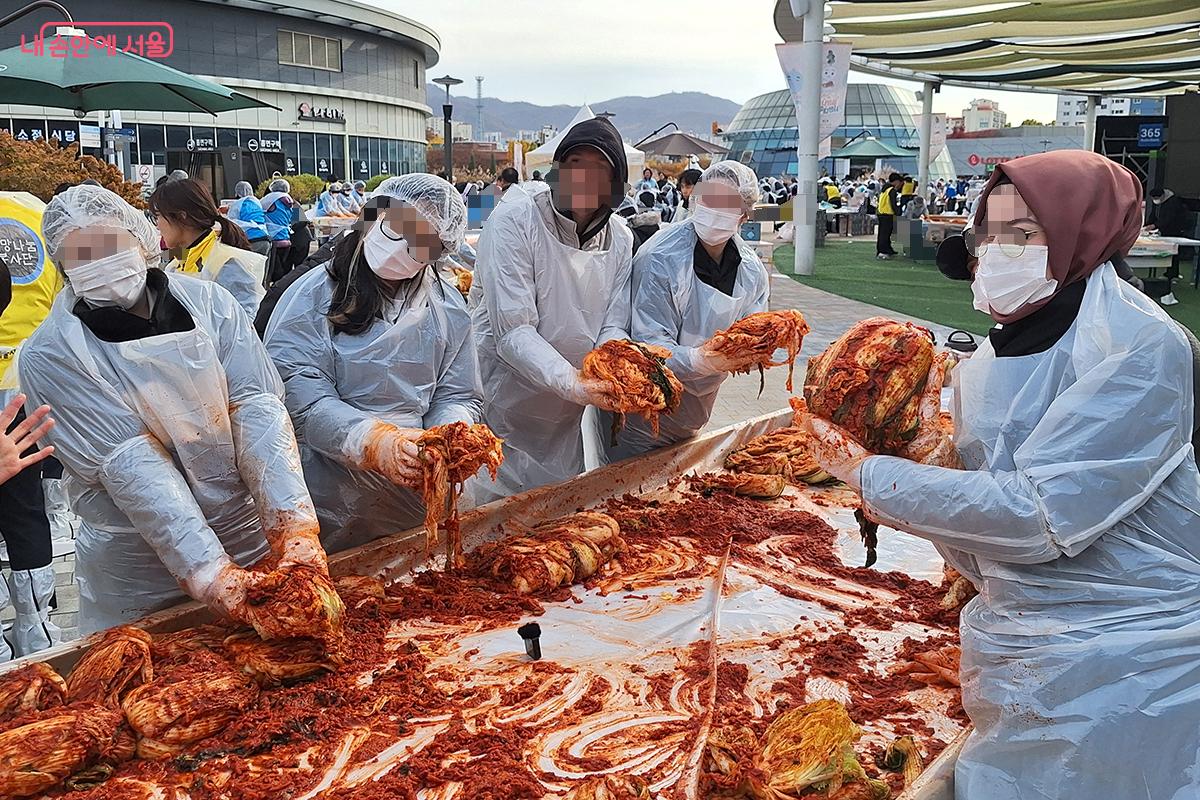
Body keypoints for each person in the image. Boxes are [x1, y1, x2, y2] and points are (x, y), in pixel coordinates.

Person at [801, 150, 1200, 800]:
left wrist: (871, 475)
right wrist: (915, 463)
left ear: (1082, 234)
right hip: (1024, 647)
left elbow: (1037, 515)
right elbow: (984, 533)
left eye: (1024, 234)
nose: (996, 251)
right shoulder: (991, 359)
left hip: (1134, 660)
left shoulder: (1139, 349)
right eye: (989, 232)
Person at [19, 185, 329, 633]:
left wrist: (294, 529)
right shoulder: (50, 355)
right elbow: (132, 465)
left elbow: (257, 408)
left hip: (244, 531)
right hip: (134, 562)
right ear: (63, 267)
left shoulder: (211, 305)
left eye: (108, 246)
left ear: (141, 238)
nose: (99, 262)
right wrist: (211, 575)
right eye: (81, 255)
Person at [264, 175, 481, 552]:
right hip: (329, 493)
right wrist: (373, 442)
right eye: (397, 225)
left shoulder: (446, 306)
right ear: (372, 215)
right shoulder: (311, 296)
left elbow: (457, 390)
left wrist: (447, 435)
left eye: (420, 240)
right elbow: (299, 393)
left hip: (416, 493)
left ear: (438, 251)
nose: (401, 245)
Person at [470, 117, 632, 502]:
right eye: (573, 164)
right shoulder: (516, 219)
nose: (581, 178)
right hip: (506, 400)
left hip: (565, 414)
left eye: (596, 169)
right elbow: (513, 331)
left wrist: (610, 365)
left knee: (556, 517)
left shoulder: (620, 238)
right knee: (493, 519)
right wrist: (574, 383)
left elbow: (613, 319)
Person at [600, 161, 768, 462]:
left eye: (725, 203)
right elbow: (648, 346)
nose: (713, 209)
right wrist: (702, 359)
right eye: (708, 198)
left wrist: (754, 352)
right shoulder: (660, 258)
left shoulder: (751, 271)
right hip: (640, 415)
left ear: (744, 214)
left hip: (698, 409)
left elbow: (753, 333)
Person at [0, 237, 61, 659]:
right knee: (24, 514)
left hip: (17, 398)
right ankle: (36, 630)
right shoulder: (33, 214)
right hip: (19, 388)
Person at [151, 178, 267, 319]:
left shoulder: (228, 264)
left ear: (181, 217)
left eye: (157, 217)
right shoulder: (175, 264)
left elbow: (243, 329)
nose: (157, 225)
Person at [261, 178, 298, 284]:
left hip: (274, 240)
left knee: (274, 271)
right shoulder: (290, 201)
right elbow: (296, 218)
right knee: (283, 268)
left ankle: (276, 292)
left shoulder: (270, 199)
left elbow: (256, 209)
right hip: (286, 239)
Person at [226, 181, 272, 258]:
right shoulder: (256, 202)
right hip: (265, 239)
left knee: (248, 267)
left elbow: (230, 224)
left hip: (252, 241)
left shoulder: (237, 204)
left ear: (237, 193)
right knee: (262, 268)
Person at [876, 173, 902, 260]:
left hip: (882, 213)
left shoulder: (884, 189)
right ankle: (883, 251)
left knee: (883, 233)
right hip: (888, 214)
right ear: (896, 181)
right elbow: (893, 203)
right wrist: (898, 213)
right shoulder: (892, 191)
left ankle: (886, 249)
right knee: (885, 234)